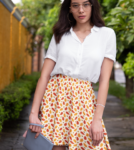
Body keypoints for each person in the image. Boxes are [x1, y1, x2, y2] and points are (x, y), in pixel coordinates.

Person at [23, 0, 116, 149]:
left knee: (92, 145)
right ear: (69, 9)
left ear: (93, 6)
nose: (81, 10)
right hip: (56, 97)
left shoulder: (107, 35)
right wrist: (34, 113)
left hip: (84, 100)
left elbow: (105, 80)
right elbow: (44, 76)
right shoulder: (60, 34)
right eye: (75, 5)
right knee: (55, 146)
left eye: (86, 4)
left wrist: (97, 119)